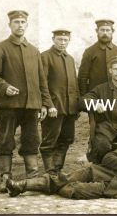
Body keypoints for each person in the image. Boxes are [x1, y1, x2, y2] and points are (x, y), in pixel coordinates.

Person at [6, 121, 117, 199]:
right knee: (63, 178)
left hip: (112, 185)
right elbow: (107, 158)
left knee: (74, 190)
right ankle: (21, 185)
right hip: (98, 171)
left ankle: (47, 186)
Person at [0, 10, 54, 192]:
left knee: (31, 141)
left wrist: (45, 103)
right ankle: (5, 178)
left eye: (23, 22)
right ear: (10, 25)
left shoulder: (34, 51)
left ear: (27, 25)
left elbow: (42, 81)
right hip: (9, 106)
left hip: (31, 106)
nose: (20, 25)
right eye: (16, 22)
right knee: (6, 140)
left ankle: (31, 179)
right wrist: (4, 87)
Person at [79, 56, 117, 164]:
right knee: (101, 145)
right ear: (110, 70)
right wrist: (95, 103)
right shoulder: (101, 88)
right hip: (106, 125)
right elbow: (83, 100)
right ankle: (101, 168)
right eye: (115, 69)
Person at [40, 29, 79, 174]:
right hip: (54, 107)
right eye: (59, 39)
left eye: (65, 40)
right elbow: (42, 83)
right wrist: (48, 105)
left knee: (67, 138)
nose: (62, 43)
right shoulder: (45, 57)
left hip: (69, 108)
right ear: (53, 39)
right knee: (50, 140)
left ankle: (57, 170)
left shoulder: (69, 59)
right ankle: (50, 171)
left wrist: (76, 106)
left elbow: (74, 83)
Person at [78, 19, 117, 96]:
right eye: (102, 30)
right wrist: (85, 97)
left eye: (108, 30)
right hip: (96, 95)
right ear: (97, 31)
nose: (105, 33)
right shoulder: (89, 52)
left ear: (112, 31)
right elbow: (82, 77)